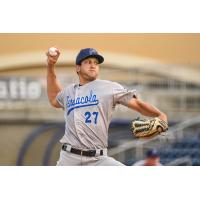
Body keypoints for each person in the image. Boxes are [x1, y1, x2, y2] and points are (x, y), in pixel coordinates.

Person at [46, 47, 168, 166]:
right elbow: (54, 98)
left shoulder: (109, 87)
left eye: (95, 62)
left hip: (98, 159)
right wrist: (50, 65)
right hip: (69, 158)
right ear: (78, 68)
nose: (93, 65)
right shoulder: (69, 91)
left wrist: (160, 115)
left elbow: (138, 105)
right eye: (88, 62)